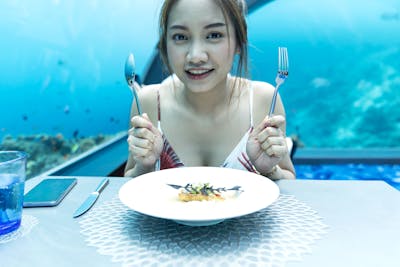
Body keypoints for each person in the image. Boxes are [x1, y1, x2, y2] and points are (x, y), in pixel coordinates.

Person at [124, 0, 295, 180]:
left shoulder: (264, 100)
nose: (196, 56)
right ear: (165, 44)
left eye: (214, 35)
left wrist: (269, 170)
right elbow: (129, 175)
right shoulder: (148, 102)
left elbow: (289, 177)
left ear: (239, 41)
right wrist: (144, 167)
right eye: (180, 37)